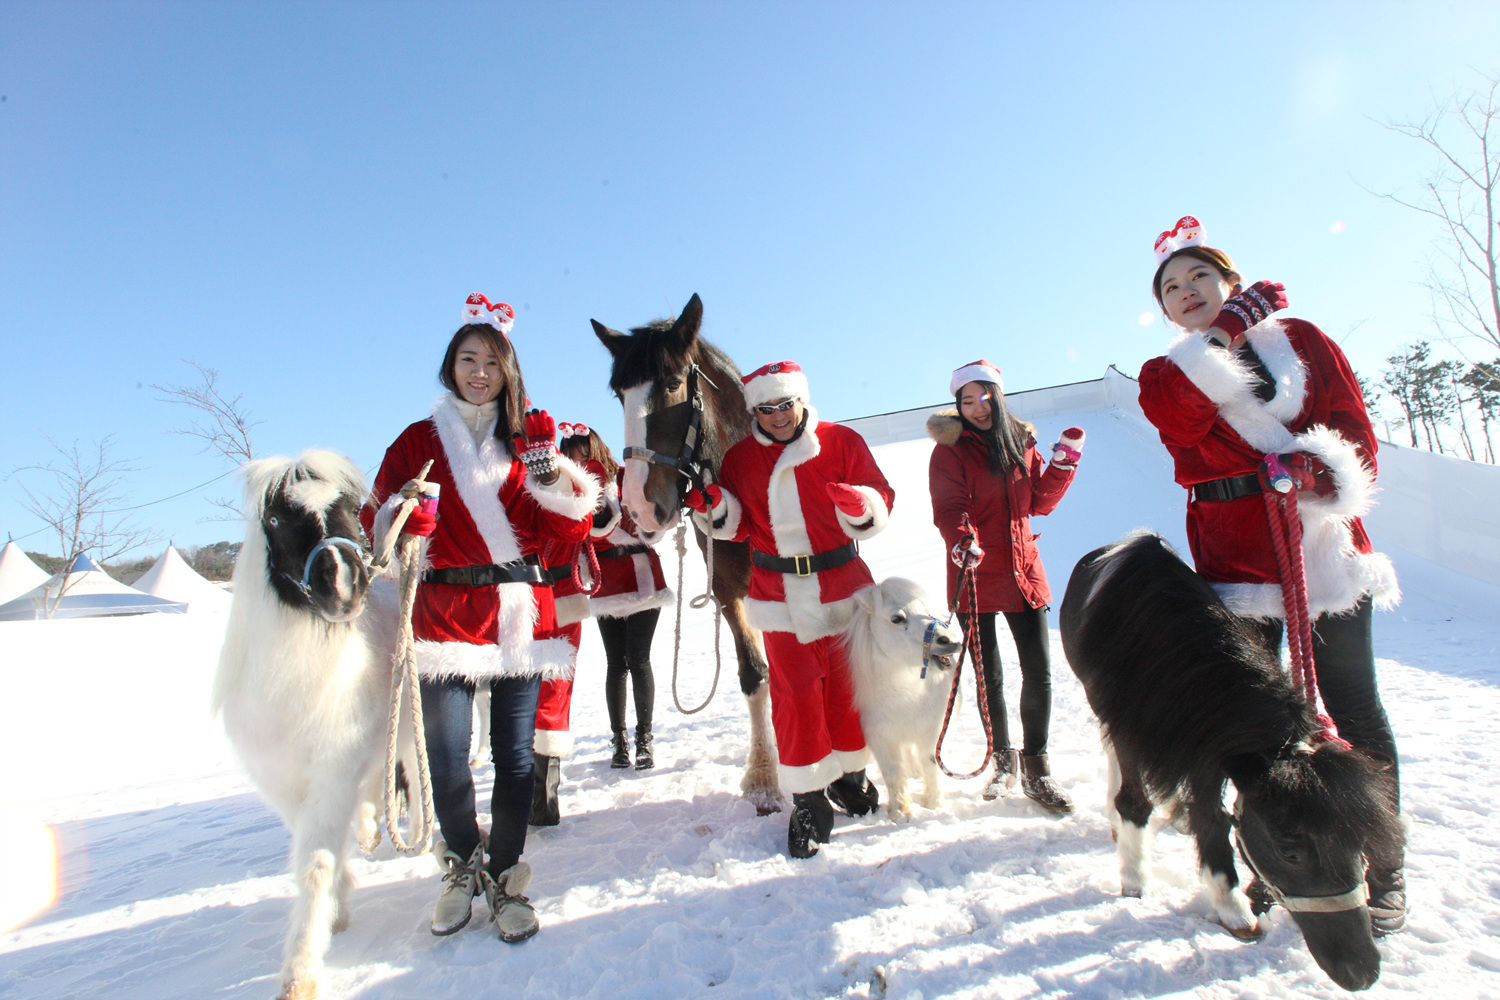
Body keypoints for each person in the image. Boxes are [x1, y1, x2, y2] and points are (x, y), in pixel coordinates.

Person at [1137, 217, 1406, 935]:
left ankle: (1383, 862)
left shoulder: (1305, 343)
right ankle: (1269, 856)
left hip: (1322, 543)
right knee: (1252, 724)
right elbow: (1184, 425)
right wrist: (1220, 333)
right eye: (1172, 287)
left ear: (1231, 280)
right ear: (1163, 309)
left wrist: (1315, 472)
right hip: (1233, 560)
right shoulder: (1164, 376)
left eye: (1202, 277)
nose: (1188, 291)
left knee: (1354, 702)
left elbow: (1354, 430)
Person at [362, 293, 600, 942]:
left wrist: (551, 475)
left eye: (491, 363)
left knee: (517, 759)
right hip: (444, 615)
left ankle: (504, 870)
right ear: (451, 364)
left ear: (508, 371)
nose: (478, 372)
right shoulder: (417, 440)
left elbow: (565, 534)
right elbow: (374, 519)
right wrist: (405, 519)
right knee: (445, 759)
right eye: (468, 359)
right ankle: (462, 863)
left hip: (520, 612)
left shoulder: (529, 437)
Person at [685, 360, 894, 858]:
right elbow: (735, 526)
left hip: (843, 589)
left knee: (846, 693)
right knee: (796, 699)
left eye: (784, 405)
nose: (777, 416)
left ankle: (850, 777)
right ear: (753, 409)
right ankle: (807, 799)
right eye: (765, 408)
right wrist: (714, 506)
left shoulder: (842, 442)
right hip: (779, 596)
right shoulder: (739, 459)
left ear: (800, 399)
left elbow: (881, 495)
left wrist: (861, 506)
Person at [927, 360, 1084, 811]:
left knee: (1038, 672)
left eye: (984, 396)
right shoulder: (950, 450)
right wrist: (962, 540)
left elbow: (1040, 502)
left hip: (1023, 570)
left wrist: (1061, 465)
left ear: (999, 395)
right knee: (988, 675)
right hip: (973, 570)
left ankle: (1037, 767)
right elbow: (950, 505)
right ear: (957, 405)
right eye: (966, 400)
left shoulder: (1022, 442)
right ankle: (1002, 764)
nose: (977, 407)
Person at [558, 424, 673, 771]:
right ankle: (619, 740)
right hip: (605, 582)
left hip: (641, 578)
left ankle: (644, 740)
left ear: (596, 449)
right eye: (572, 455)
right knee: (615, 664)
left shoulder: (627, 478)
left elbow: (654, 523)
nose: (579, 460)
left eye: (584, 452)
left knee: (638, 659)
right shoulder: (570, 491)